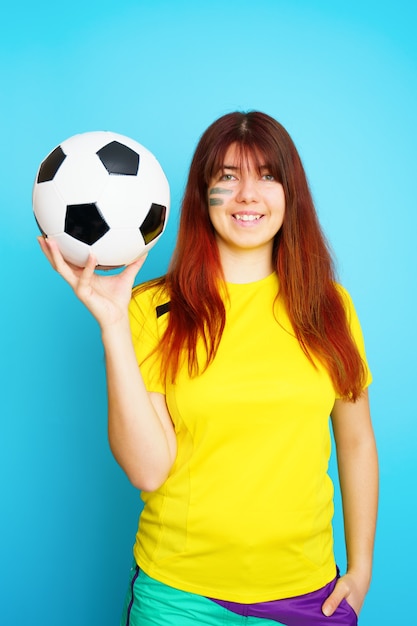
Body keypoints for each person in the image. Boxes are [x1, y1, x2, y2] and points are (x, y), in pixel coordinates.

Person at [38, 111, 378, 626]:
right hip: (180, 597)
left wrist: (361, 569)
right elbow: (148, 470)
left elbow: (355, 442)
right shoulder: (149, 309)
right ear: (203, 196)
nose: (247, 194)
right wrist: (112, 324)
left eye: (267, 175)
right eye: (227, 177)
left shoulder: (330, 307)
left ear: (291, 194)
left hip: (309, 595)